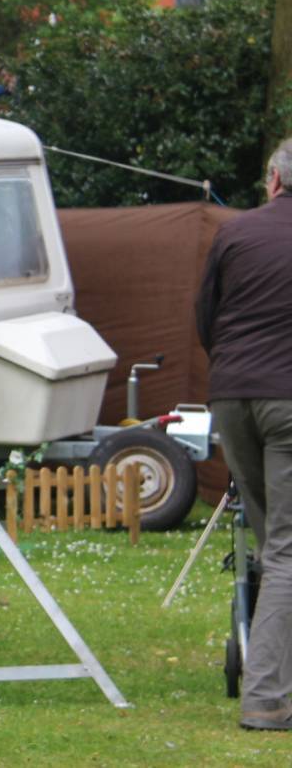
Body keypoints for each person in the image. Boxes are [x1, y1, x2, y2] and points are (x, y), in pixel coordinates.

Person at [196, 137, 292, 731]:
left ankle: (271, 671)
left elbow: (205, 318)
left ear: (274, 181)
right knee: (286, 550)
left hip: (232, 395)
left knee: (271, 541)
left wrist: (235, 372)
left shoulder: (233, 233)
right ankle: (264, 697)